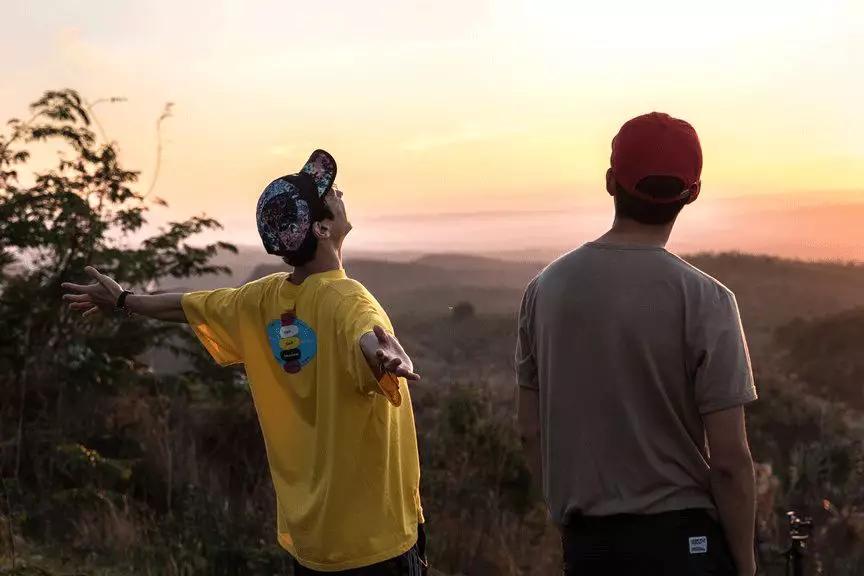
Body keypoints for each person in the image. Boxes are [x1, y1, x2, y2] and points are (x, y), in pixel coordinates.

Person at [62, 150, 428, 575]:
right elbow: (366, 335)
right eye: (329, 193)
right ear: (322, 227)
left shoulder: (261, 299)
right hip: (374, 542)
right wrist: (385, 355)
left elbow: (184, 306)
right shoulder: (351, 299)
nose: (339, 192)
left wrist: (124, 300)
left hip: (310, 542)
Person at [516, 113, 758, 576]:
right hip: (685, 545)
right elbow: (729, 462)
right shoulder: (708, 300)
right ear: (693, 193)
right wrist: (744, 564)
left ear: (611, 182)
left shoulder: (543, 291)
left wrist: (567, 518)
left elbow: (530, 430)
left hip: (590, 547)